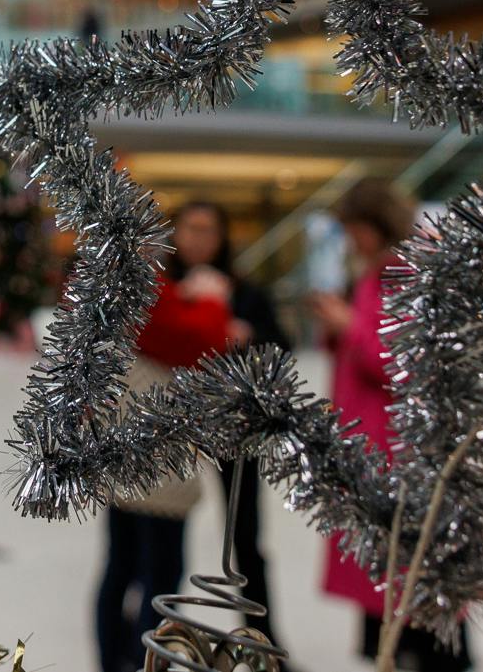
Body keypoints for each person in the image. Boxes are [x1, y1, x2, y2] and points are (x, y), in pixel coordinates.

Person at [312, 177, 472, 671]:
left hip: (397, 442)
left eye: (355, 229)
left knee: (407, 560)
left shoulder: (405, 274)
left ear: (376, 224)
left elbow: (404, 363)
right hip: (369, 437)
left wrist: (348, 328)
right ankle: (394, 649)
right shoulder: (372, 273)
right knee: (383, 565)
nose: (351, 240)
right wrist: (337, 329)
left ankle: (423, 653)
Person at [94, 201, 240, 672]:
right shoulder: (144, 287)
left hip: (132, 455)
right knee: (156, 574)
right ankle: (141, 662)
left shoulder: (131, 284)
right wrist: (214, 302)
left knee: (123, 566)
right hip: (155, 463)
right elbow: (198, 342)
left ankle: (119, 660)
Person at [200, 201, 290, 651]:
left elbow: (282, 347)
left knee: (245, 536)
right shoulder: (160, 293)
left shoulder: (246, 294)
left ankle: (260, 640)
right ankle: (152, 640)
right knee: (155, 536)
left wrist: (244, 336)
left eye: (207, 229)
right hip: (167, 424)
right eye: (190, 229)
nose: (198, 239)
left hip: (234, 429)